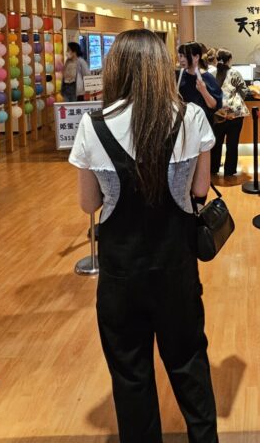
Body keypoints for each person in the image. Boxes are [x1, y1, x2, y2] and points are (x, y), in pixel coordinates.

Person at [69, 29, 218, 443]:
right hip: (176, 266)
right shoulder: (191, 116)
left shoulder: (93, 125)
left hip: (120, 272)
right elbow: (199, 191)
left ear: (115, 67)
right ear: (160, 66)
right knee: (189, 363)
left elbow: (89, 204)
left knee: (130, 373)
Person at [212, 49, 248, 180]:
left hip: (218, 113)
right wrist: (236, 101)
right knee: (232, 144)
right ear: (229, 60)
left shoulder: (211, 73)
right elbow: (244, 90)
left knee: (216, 143)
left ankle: (213, 168)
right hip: (234, 114)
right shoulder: (234, 73)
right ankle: (229, 170)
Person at [176, 42, 222, 126]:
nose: (182, 59)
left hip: (203, 125)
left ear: (196, 57)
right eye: (181, 56)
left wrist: (203, 90)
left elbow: (213, 106)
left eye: (186, 56)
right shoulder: (178, 75)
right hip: (185, 124)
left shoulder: (207, 78)